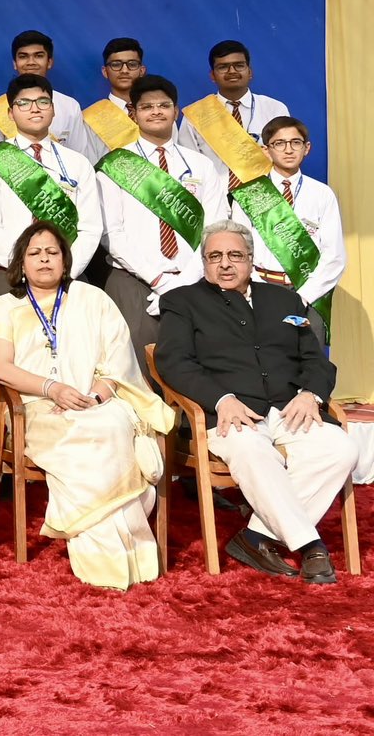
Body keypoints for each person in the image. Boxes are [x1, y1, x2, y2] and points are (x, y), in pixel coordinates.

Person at [156, 222, 353, 583]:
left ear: (251, 259)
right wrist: (220, 398)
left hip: (290, 407)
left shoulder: (285, 300)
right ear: (204, 262)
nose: (225, 264)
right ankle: (311, 546)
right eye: (215, 257)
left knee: (339, 448)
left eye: (235, 256)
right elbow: (174, 362)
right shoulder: (182, 302)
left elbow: (315, 360)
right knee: (252, 452)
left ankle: (256, 537)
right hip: (231, 413)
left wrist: (311, 393)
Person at [0, 221, 173, 590]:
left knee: (111, 425)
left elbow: (118, 361)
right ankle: (111, 554)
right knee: (89, 435)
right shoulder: (5, 307)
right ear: (21, 263)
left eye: (52, 252)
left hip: (97, 400)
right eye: (34, 253)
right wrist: (52, 389)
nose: (43, 260)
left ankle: (112, 542)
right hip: (37, 407)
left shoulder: (93, 299)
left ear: (65, 261)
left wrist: (94, 398)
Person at [95, 75, 228, 360]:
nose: (156, 111)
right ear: (133, 113)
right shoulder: (115, 165)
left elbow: (215, 229)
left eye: (163, 105)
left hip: (194, 279)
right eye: (146, 106)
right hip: (133, 280)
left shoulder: (201, 165)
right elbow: (111, 234)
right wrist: (159, 281)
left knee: (199, 361)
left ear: (175, 111)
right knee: (135, 365)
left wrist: (183, 281)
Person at [0, 74, 104, 312]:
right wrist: (27, 268)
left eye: (43, 102)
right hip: (7, 277)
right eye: (24, 103)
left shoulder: (77, 163)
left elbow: (91, 228)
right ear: (11, 113)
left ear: (53, 110)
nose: (35, 109)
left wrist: (63, 270)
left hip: (68, 278)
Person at [231, 117, 344, 337]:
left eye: (296, 142)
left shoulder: (322, 194)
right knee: (267, 364)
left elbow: (334, 256)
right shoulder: (249, 194)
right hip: (260, 291)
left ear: (307, 148)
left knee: (310, 366)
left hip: (309, 294)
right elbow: (239, 251)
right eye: (279, 143)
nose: (288, 150)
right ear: (266, 150)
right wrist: (258, 292)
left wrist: (303, 296)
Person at [178, 40, 293, 184]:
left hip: (266, 197)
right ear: (212, 75)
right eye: (223, 67)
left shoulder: (275, 109)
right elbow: (189, 165)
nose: (232, 71)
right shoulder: (196, 114)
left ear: (249, 72)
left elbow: (288, 157)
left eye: (239, 65)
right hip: (214, 198)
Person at [0, 30, 104, 160]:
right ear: (14, 63)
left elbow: (81, 156)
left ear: (49, 62)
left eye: (38, 56)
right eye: (23, 56)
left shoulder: (69, 106)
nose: (31, 62)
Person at [83, 37, 147, 153]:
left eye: (132, 64)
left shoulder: (159, 112)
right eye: (116, 65)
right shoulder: (91, 117)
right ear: (105, 72)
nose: (124, 70)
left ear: (142, 71)